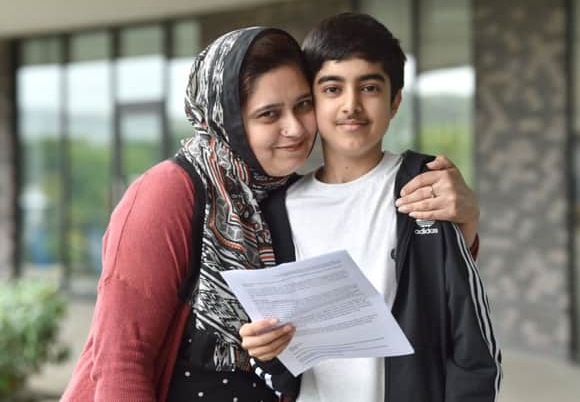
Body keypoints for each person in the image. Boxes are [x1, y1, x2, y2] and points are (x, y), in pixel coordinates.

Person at [61, 26, 479, 402]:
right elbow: (121, 360)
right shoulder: (167, 193)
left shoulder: (275, 195)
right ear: (228, 120)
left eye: (301, 105)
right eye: (268, 115)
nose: (295, 129)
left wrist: (465, 226)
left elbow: (402, 286)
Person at [242, 13, 502, 402]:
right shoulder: (277, 209)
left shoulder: (424, 187)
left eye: (369, 87)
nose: (351, 105)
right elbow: (276, 364)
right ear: (311, 101)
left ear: (395, 101)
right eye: (332, 89)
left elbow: (473, 345)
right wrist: (264, 349)